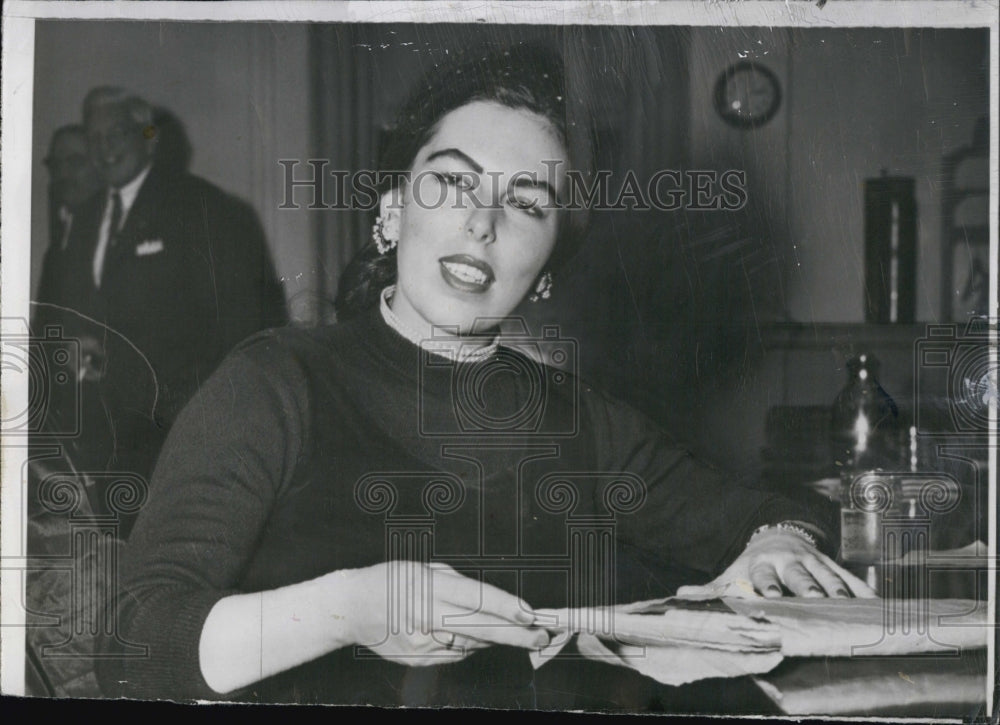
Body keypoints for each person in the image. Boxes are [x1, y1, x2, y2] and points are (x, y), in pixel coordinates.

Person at [98, 46, 873, 707]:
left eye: (526, 202)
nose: (483, 221)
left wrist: (779, 540)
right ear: (393, 211)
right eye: (453, 181)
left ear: (542, 274)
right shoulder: (275, 384)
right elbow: (131, 645)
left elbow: (780, 511)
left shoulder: (579, 419)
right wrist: (352, 607)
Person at [33, 88, 288, 531]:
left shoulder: (199, 206)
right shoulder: (86, 217)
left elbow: (242, 324)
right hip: (101, 441)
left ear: (149, 137)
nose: (104, 148)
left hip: (176, 432)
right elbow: (72, 313)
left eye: (118, 133)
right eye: (95, 138)